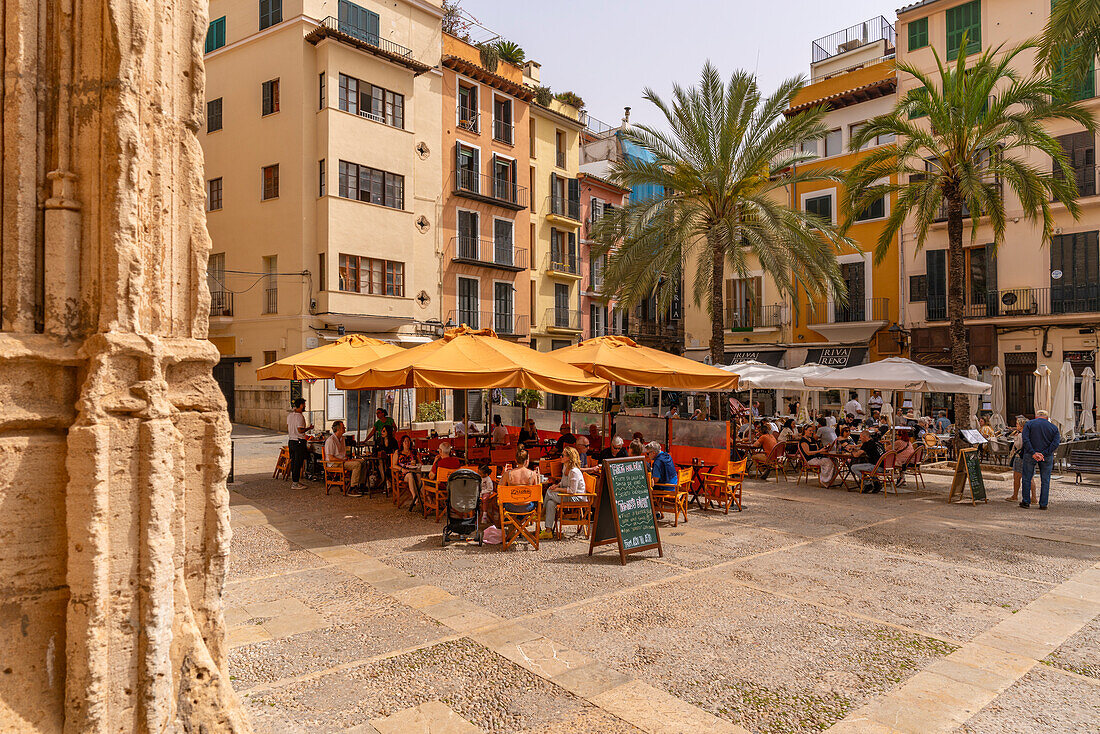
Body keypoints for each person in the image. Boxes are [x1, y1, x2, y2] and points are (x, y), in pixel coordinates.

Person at [541, 447, 588, 539]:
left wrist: (557, 490)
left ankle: (542, 513)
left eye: (563, 455)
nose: (560, 456)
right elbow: (563, 482)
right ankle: (548, 531)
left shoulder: (574, 471)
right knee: (550, 502)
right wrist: (557, 486)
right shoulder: (565, 467)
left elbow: (572, 491)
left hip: (577, 498)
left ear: (569, 458)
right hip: (569, 495)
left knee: (549, 492)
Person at [1021, 409, 1060, 509]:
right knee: (1045, 480)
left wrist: (1033, 452)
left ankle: (1026, 502)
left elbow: (1025, 439)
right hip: (1046, 456)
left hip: (1030, 454)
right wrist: (1044, 453)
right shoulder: (1054, 428)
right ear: (1047, 418)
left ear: (1036, 416)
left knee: (1026, 478)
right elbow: (1055, 443)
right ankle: (1043, 504)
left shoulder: (1029, 424)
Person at [493, 447, 539, 529]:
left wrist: (504, 474)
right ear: (527, 460)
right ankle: (521, 525)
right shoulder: (532, 474)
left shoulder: (508, 474)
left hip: (511, 507)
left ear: (516, 460)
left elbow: (499, 489)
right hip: (527, 507)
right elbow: (537, 491)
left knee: (502, 500)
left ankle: (513, 526)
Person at [324, 420, 364, 491]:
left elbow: (343, 453)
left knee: (363, 461)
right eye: (343, 427)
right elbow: (331, 458)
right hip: (334, 463)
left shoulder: (342, 439)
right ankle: (353, 487)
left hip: (342, 461)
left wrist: (348, 459)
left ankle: (361, 485)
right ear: (338, 429)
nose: (345, 428)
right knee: (357, 464)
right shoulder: (331, 440)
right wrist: (343, 460)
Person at [287, 398, 313, 490]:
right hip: (298, 441)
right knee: (298, 462)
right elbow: (300, 430)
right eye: (304, 405)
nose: (305, 406)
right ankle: (295, 483)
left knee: (294, 462)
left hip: (291, 441)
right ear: (301, 405)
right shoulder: (300, 416)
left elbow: (288, 427)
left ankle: (295, 481)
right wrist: (308, 428)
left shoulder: (290, 415)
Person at [394, 434, 421, 509]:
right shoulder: (398, 452)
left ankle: (424, 498)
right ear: (402, 443)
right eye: (405, 441)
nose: (407, 443)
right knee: (410, 476)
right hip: (403, 473)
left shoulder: (414, 452)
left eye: (408, 441)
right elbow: (394, 465)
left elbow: (420, 463)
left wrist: (416, 463)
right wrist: (401, 469)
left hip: (415, 471)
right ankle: (415, 496)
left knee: (419, 477)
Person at [1006, 415, 1027, 503]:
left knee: (1017, 477)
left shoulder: (1020, 435)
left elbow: (1018, 446)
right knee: (1030, 478)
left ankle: (1015, 495)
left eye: (1017, 424)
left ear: (1021, 426)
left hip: (1019, 457)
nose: (1016, 425)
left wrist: (1015, 437)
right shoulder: (1028, 434)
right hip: (1027, 457)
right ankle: (1033, 497)